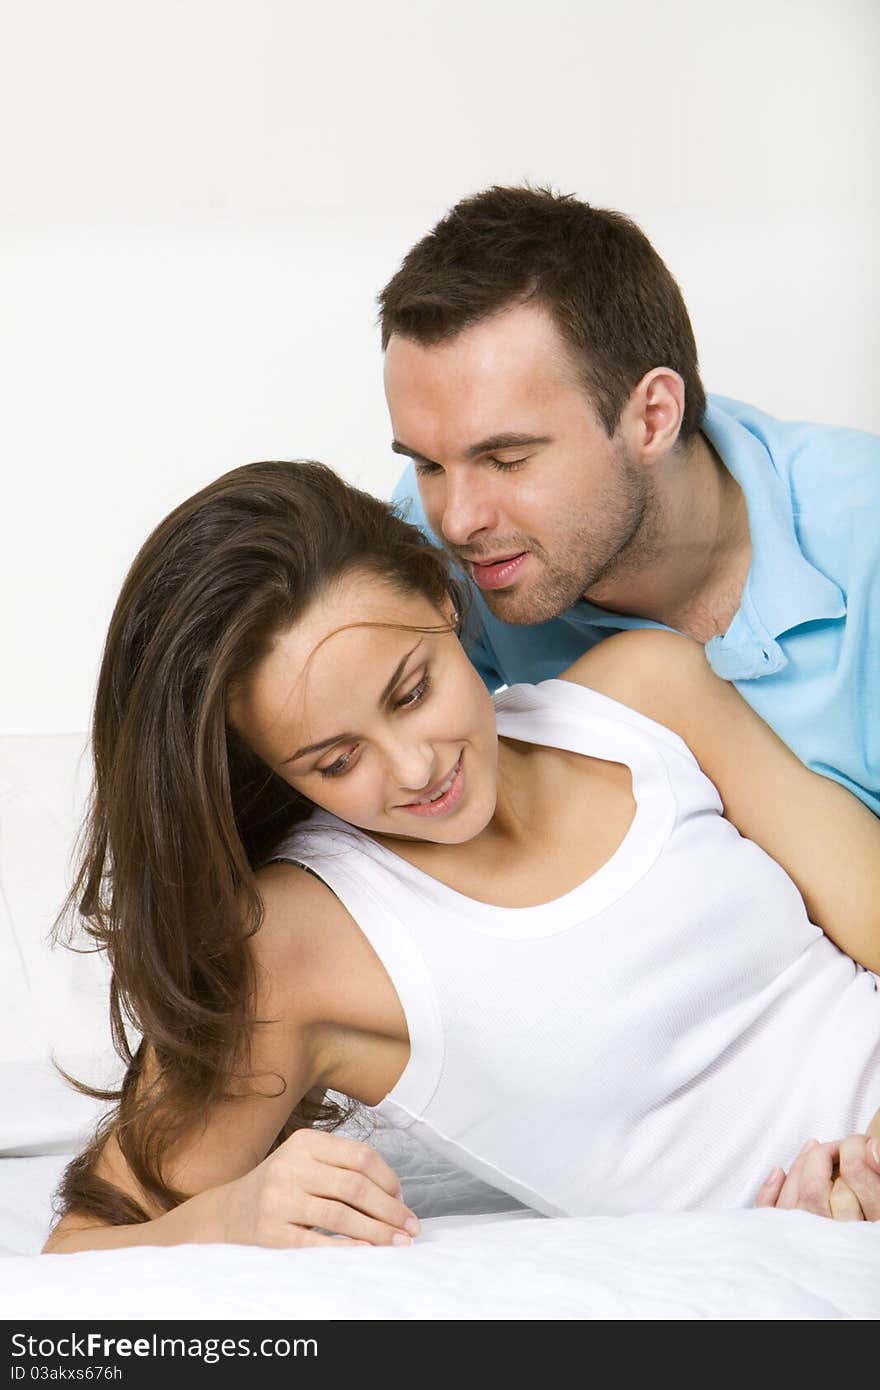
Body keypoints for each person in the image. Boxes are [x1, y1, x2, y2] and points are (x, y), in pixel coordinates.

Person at [42, 460, 880, 1256]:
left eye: (411, 692)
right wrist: (231, 1214)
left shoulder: (648, 694)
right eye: (335, 761)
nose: (414, 769)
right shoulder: (293, 945)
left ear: (442, 599)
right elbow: (81, 1247)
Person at [381, 185, 880, 814]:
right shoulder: (435, 537)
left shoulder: (865, 533)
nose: (456, 518)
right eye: (427, 462)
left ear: (652, 418)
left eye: (507, 460)